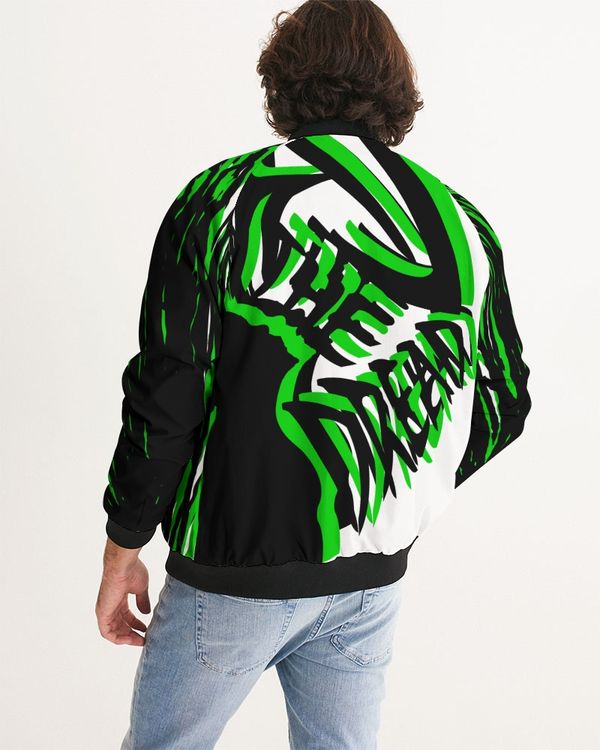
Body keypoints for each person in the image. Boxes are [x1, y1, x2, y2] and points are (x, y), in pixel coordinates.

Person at [95, 1, 533, 747]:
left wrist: (123, 546)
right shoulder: (464, 224)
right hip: (371, 581)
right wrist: (403, 481)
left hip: (229, 572)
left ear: (282, 82)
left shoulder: (219, 200)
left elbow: (167, 394)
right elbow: (503, 400)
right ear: (395, 85)